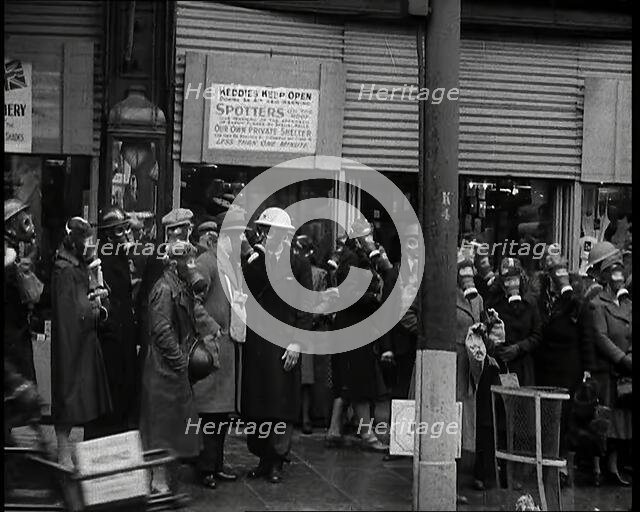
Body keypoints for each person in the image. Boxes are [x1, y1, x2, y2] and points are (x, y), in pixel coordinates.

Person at [241, 207, 313, 484]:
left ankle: (277, 460)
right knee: (258, 400)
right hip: (258, 342)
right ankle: (262, 456)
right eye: (263, 229)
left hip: (285, 341)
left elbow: (306, 308)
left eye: (269, 230)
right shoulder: (255, 260)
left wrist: (297, 342)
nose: (265, 234)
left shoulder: (298, 264)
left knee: (281, 403)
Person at [139, 239, 203, 493]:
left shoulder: (179, 285)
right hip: (163, 369)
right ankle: (158, 481)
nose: (192, 265)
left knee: (174, 426)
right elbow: (162, 330)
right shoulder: (164, 289)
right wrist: (181, 361)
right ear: (174, 263)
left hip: (173, 369)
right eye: (187, 260)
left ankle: (167, 478)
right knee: (161, 428)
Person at [192, 210, 248, 489]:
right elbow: (193, 301)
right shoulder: (206, 262)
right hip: (212, 349)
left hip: (227, 350)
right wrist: (212, 328)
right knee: (210, 414)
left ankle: (216, 464)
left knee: (220, 414)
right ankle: (205, 468)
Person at [51, 216, 112, 467]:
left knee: (77, 400)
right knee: (68, 400)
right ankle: (64, 457)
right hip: (73, 347)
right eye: (87, 239)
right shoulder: (65, 271)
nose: (91, 245)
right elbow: (77, 312)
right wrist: (96, 306)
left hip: (81, 345)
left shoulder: (75, 267)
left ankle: (72, 457)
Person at [329, 217, 390, 453]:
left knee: (351, 382)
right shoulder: (352, 260)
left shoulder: (358, 259)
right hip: (352, 326)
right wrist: (375, 300)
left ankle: (335, 430)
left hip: (355, 326)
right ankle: (366, 432)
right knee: (359, 382)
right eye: (366, 236)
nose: (370, 241)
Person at [534, 251, 594, 484]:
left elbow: (587, 337)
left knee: (566, 419)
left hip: (569, 368)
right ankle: (547, 462)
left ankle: (562, 466)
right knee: (548, 418)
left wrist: (588, 370)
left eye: (561, 271)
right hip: (547, 366)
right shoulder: (543, 299)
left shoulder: (577, 303)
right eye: (553, 271)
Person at [455, 251, 503, 496]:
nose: (467, 276)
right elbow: (413, 319)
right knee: (450, 418)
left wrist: (488, 326)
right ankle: (447, 479)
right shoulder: (443, 295)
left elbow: (483, 337)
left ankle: (460, 476)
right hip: (451, 363)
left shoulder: (477, 300)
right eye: (462, 271)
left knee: (466, 421)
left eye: (469, 271)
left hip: (472, 366)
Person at [587, 241, 632, 486]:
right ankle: (596, 467)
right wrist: (623, 359)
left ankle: (614, 464)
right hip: (606, 371)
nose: (618, 276)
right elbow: (600, 337)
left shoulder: (628, 305)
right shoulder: (597, 304)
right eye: (613, 271)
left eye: (620, 271)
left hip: (625, 373)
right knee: (602, 419)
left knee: (622, 421)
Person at [95, 207, 138, 436]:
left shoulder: (120, 257)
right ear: (110, 235)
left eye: (126, 230)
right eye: (121, 231)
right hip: (111, 339)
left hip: (123, 334)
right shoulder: (103, 260)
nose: (126, 235)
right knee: (113, 393)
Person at [378, 222, 421, 400]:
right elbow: (386, 311)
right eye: (410, 242)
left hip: (422, 340)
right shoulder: (394, 273)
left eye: (417, 242)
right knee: (401, 393)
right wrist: (386, 347)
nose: (414, 247)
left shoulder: (428, 271)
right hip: (400, 342)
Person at [5, 198, 42, 383]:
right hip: (12, 338)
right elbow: (33, 294)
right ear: (11, 228)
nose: (31, 226)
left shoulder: (16, 255)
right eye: (24, 222)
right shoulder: (9, 259)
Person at [490, 257, 541, 387]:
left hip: (524, 368)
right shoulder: (494, 306)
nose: (512, 283)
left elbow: (537, 335)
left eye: (515, 278)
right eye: (508, 279)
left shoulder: (530, 304)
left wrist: (519, 348)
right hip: (502, 366)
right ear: (501, 282)